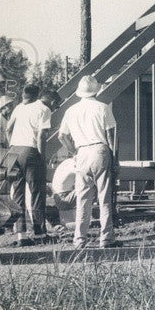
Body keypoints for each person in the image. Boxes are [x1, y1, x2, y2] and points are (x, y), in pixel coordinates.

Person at [58, 75, 121, 250]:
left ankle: (79, 239)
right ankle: (106, 237)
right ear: (96, 90)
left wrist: (74, 151)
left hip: (82, 152)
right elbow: (112, 137)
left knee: (83, 199)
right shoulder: (102, 107)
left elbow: (62, 136)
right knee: (104, 197)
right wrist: (115, 161)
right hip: (100, 150)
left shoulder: (71, 111)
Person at [6, 84, 52, 245]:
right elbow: (41, 135)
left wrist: (10, 145)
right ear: (38, 94)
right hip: (31, 151)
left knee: (18, 194)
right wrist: (42, 155)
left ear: (23, 95)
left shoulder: (19, 107)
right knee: (37, 193)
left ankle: (21, 236)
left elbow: (7, 128)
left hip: (14, 150)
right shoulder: (43, 109)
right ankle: (39, 233)